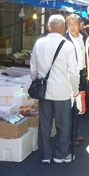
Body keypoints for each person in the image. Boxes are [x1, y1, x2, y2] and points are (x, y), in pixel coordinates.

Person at [30, 15, 79, 164]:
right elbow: (73, 72)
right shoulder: (68, 45)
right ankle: (60, 155)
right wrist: (75, 89)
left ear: (48, 27)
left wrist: (35, 82)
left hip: (44, 91)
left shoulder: (39, 43)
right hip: (62, 91)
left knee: (45, 124)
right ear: (63, 27)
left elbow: (33, 68)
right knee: (63, 124)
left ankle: (45, 155)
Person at [64, 14, 89, 144]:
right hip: (68, 75)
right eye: (69, 23)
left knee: (78, 105)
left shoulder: (84, 37)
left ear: (80, 25)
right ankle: (68, 137)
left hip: (81, 74)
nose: (72, 26)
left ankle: (74, 134)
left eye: (75, 23)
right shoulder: (64, 39)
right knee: (69, 107)